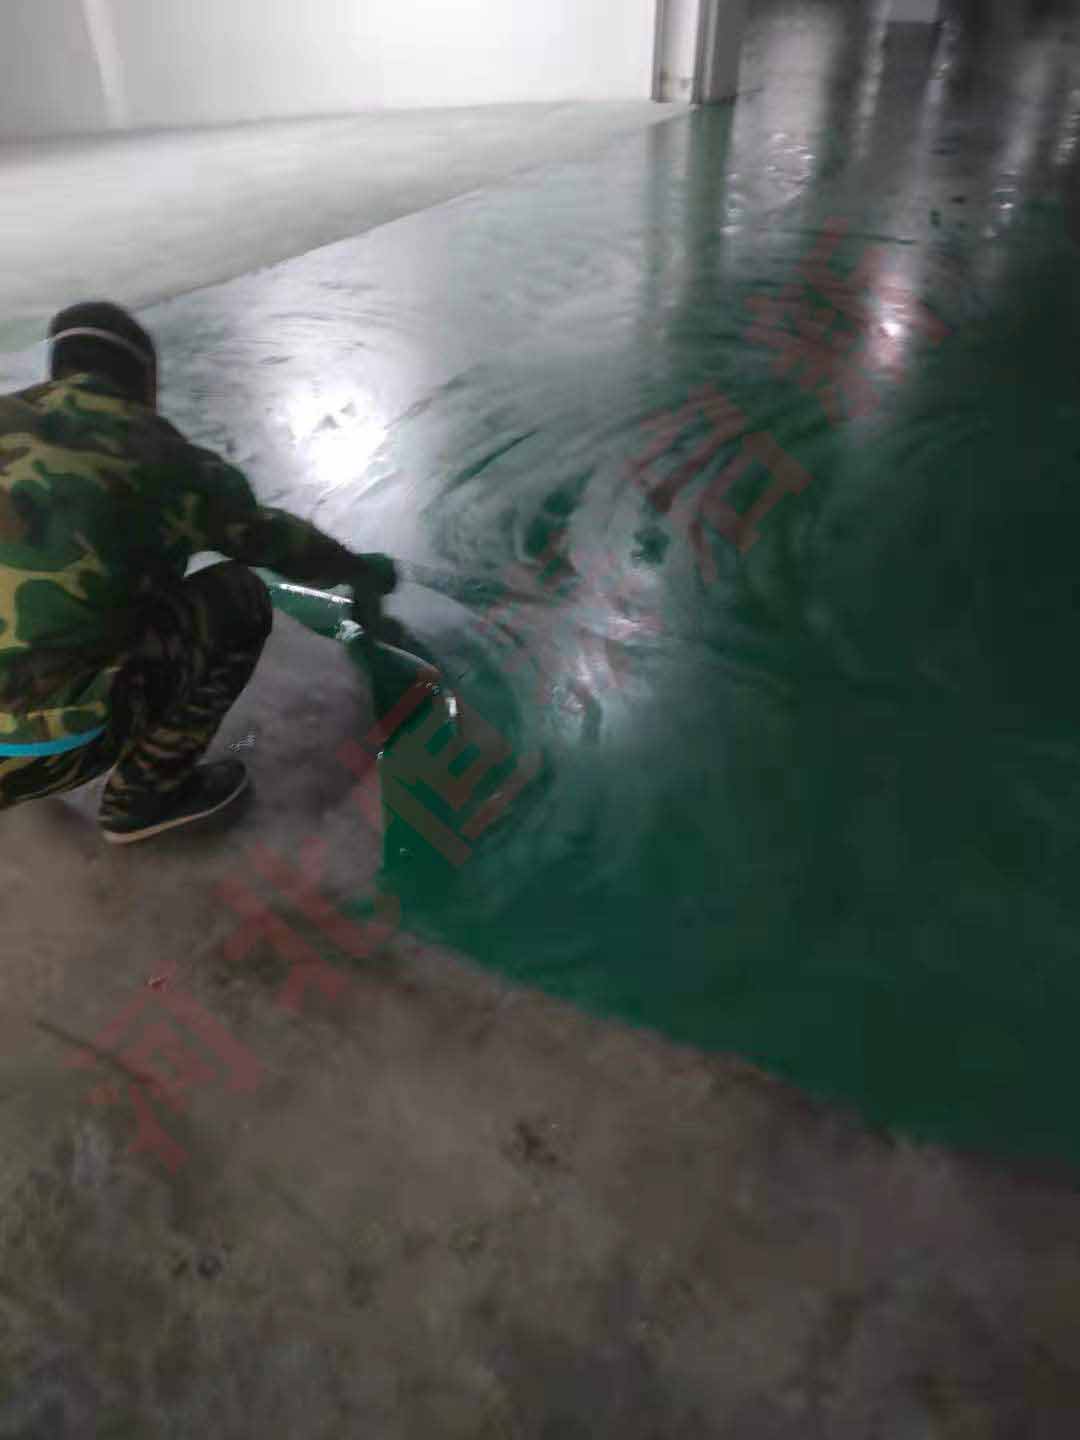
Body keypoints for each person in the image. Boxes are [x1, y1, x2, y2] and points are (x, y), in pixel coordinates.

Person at [0, 301, 398, 844]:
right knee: (238, 598)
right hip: (43, 752)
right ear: (146, 383)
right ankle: (145, 799)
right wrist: (358, 571)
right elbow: (278, 543)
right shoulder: (167, 458)